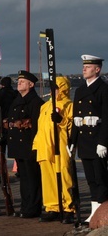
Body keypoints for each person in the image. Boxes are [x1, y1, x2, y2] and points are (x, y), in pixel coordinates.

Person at [69, 54, 108, 224]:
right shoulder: (80, 90)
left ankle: (100, 212)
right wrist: (72, 142)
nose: (84, 68)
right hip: (85, 140)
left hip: (97, 139)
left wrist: (103, 142)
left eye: (89, 66)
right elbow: (76, 119)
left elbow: (107, 118)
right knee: (91, 178)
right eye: (84, 66)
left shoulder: (103, 89)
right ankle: (93, 212)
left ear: (97, 69)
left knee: (100, 178)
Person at [32, 76, 75, 224]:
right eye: (52, 88)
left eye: (55, 88)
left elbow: (71, 128)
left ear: (62, 89)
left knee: (64, 176)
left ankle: (68, 208)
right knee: (48, 179)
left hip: (60, 146)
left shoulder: (68, 105)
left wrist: (61, 120)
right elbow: (40, 128)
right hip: (45, 147)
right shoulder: (45, 106)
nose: (52, 91)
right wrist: (36, 145)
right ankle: (52, 207)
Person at [5, 70, 44, 218]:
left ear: (31, 84)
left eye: (22, 81)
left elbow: (36, 126)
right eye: (19, 80)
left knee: (32, 178)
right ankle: (25, 206)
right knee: (23, 179)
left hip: (29, 144)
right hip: (18, 145)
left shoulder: (36, 102)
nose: (19, 82)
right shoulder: (16, 101)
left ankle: (33, 207)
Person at [0, 76, 17, 170]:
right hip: (14, 123)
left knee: (1, 148)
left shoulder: (0, 94)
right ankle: (19, 169)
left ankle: (0, 167)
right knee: (15, 147)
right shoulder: (15, 94)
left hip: (2, 123)